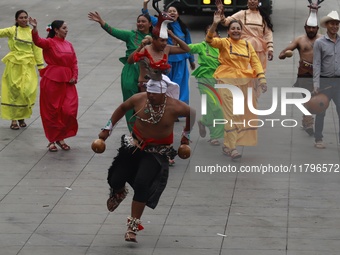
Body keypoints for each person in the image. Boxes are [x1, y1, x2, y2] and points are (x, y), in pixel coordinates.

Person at [97, 80, 196, 243]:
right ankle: (120, 191)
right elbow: (122, 108)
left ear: (163, 92)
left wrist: (186, 136)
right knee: (115, 179)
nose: (150, 96)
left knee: (142, 184)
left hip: (156, 152)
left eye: (154, 93)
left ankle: (132, 227)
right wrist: (107, 129)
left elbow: (192, 113)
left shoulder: (175, 107)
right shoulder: (139, 99)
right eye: (148, 92)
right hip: (134, 145)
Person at [206, 11, 267, 159]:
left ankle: (227, 145)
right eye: (232, 28)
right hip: (226, 81)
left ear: (242, 30)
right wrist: (215, 23)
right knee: (230, 115)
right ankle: (233, 148)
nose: (235, 31)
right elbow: (209, 40)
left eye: (238, 28)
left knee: (239, 116)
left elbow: (255, 62)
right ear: (228, 31)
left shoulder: (247, 45)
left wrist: (262, 79)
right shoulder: (224, 43)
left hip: (243, 83)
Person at [88, 11, 152, 132]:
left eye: (143, 21)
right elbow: (114, 31)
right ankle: (134, 132)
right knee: (129, 102)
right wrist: (102, 22)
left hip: (148, 72)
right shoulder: (131, 35)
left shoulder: (154, 38)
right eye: (138, 21)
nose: (140, 23)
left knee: (147, 103)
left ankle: (147, 131)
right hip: (130, 71)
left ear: (149, 24)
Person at [29, 18, 78, 152]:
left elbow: (74, 62)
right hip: (52, 81)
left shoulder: (69, 45)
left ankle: (60, 136)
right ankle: (53, 140)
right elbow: (38, 41)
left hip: (67, 82)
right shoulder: (49, 43)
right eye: (64, 28)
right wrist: (34, 29)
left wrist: (74, 76)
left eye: (66, 28)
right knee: (52, 111)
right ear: (56, 30)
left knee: (69, 110)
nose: (66, 31)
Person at [278, 6, 321, 136]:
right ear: (305, 28)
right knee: (308, 99)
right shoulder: (299, 40)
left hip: (320, 75)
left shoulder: (323, 39)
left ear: (317, 28)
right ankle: (308, 123)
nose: (311, 30)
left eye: (314, 28)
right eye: (309, 27)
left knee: (317, 100)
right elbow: (281, 54)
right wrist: (286, 54)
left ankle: (306, 120)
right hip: (304, 74)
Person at [142, 0, 195, 104]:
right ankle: (168, 107)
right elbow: (147, 17)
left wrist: (191, 60)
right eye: (169, 11)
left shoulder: (184, 28)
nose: (172, 13)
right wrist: (145, 4)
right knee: (168, 85)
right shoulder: (162, 24)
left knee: (180, 85)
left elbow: (189, 44)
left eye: (174, 11)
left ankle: (179, 107)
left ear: (178, 14)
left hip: (181, 61)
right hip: (167, 62)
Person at [0, 10, 44, 130]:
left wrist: (41, 67)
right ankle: (14, 119)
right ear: (16, 20)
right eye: (21, 18)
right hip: (14, 65)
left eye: (25, 17)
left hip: (28, 65)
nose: (24, 19)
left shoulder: (31, 32)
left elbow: (37, 49)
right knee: (14, 91)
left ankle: (22, 116)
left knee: (27, 91)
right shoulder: (12, 30)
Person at [188, 25, 224, 146]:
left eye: (215, 33)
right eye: (209, 33)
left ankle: (203, 121)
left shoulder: (223, 47)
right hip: (205, 80)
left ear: (219, 36)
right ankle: (215, 136)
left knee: (211, 107)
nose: (212, 35)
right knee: (216, 107)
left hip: (220, 81)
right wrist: (170, 40)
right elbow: (186, 48)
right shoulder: (202, 46)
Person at [216, 0, 274, 73]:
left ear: (258, 2)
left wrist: (270, 48)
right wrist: (221, 12)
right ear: (247, 1)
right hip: (244, 48)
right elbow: (226, 22)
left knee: (257, 72)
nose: (252, 1)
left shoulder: (263, 16)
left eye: (255, 0)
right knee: (245, 71)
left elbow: (268, 33)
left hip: (259, 50)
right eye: (250, 0)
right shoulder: (242, 14)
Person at [313, 10, 340, 149]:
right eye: (332, 24)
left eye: (337, 24)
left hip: (339, 82)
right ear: (327, 25)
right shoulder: (320, 43)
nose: (335, 26)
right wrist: (316, 84)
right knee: (320, 110)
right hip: (325, 82)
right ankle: (318, 138)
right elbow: (316, 63)